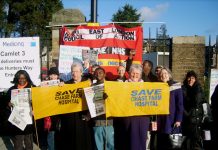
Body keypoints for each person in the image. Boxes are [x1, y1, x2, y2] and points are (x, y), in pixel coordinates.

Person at [59, 62, 94, 150]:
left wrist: (89, 115)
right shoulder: (67, 84)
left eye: (77, 71)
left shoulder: (87, 83)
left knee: (83, 143)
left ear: (81, 72)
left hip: (83, 118)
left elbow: (93, 101)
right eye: (72, 71)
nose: (74, 73)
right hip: (69, 120)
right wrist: (59, 87)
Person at [114, 64, 150, 150]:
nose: (135, 75)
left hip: (142, 118)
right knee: (127, 142)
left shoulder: (147, 86)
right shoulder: (122, 85)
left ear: (140, 75)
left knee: (141, 142)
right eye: (133, 73)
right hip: (127, 118)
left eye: (137, 73)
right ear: (129, 73)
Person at [4, 70, 35, 150]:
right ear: (17, 79)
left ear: (27, 78)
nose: (21, 80)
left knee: (28, 142)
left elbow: (39, 102)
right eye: (19, 78)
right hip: (17, 119)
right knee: (18, 143)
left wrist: (34, 104)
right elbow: (5, 102)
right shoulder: (12, 89)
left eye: (24, 78)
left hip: (28, 119)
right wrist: (8, 104)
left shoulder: (32, 88)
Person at [155, 67, 184, 150]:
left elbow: (180, 104)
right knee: (161, 142)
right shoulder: (157, 86)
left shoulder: (175, 85)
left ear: (169, 75)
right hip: (160, 119)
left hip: (171, 119)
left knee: (171, 144)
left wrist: (178, 119)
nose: (163, 75)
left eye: (165, 73)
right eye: (161, 74)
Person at [37, 67, 61, 150]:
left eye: (54, 74)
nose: (52, 76)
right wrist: (39, 87)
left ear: (57, 76)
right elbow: (38, 96)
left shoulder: (62, 84)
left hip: (59, 115)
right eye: (51, 74)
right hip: (49, 115)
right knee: (50, 135)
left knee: (58, 136)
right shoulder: (44, 84)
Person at [181, 70, 206, 150]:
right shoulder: (183, 88)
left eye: (192, 78)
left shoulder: (198, 88)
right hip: (186, 119)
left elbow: (196, 102)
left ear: (195, 79)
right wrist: (185, 113)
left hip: (195, 120)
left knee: (195, 142)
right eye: (189, 78)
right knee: (185, 142)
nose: (190, 80)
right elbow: (180, 102)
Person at [92, 67, 114, 150]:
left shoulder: (111, 85)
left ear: (104, 74)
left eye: (100, 72)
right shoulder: (92, 87)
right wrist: (100, 96)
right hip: (97, 119)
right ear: (94, 75)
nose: (98, 74)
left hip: (109, 119)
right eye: (96, 73)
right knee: (98, 144)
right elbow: (91, 102)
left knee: (110, 143)